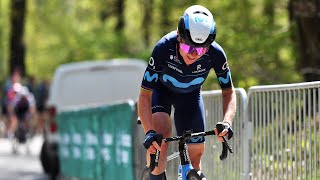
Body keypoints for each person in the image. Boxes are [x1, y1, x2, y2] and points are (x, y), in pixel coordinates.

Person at [138, 5, 237, 180]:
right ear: (179, 37)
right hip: (161, 92)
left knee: (196, 155)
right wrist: (149, 132)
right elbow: (145, 94)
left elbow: (228, 91)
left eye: (200, 50)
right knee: (160, 136)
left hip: (190, 96)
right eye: (188, 48)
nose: (193, 55)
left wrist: (227, 122)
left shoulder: (216, 53)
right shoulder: (163, 48)